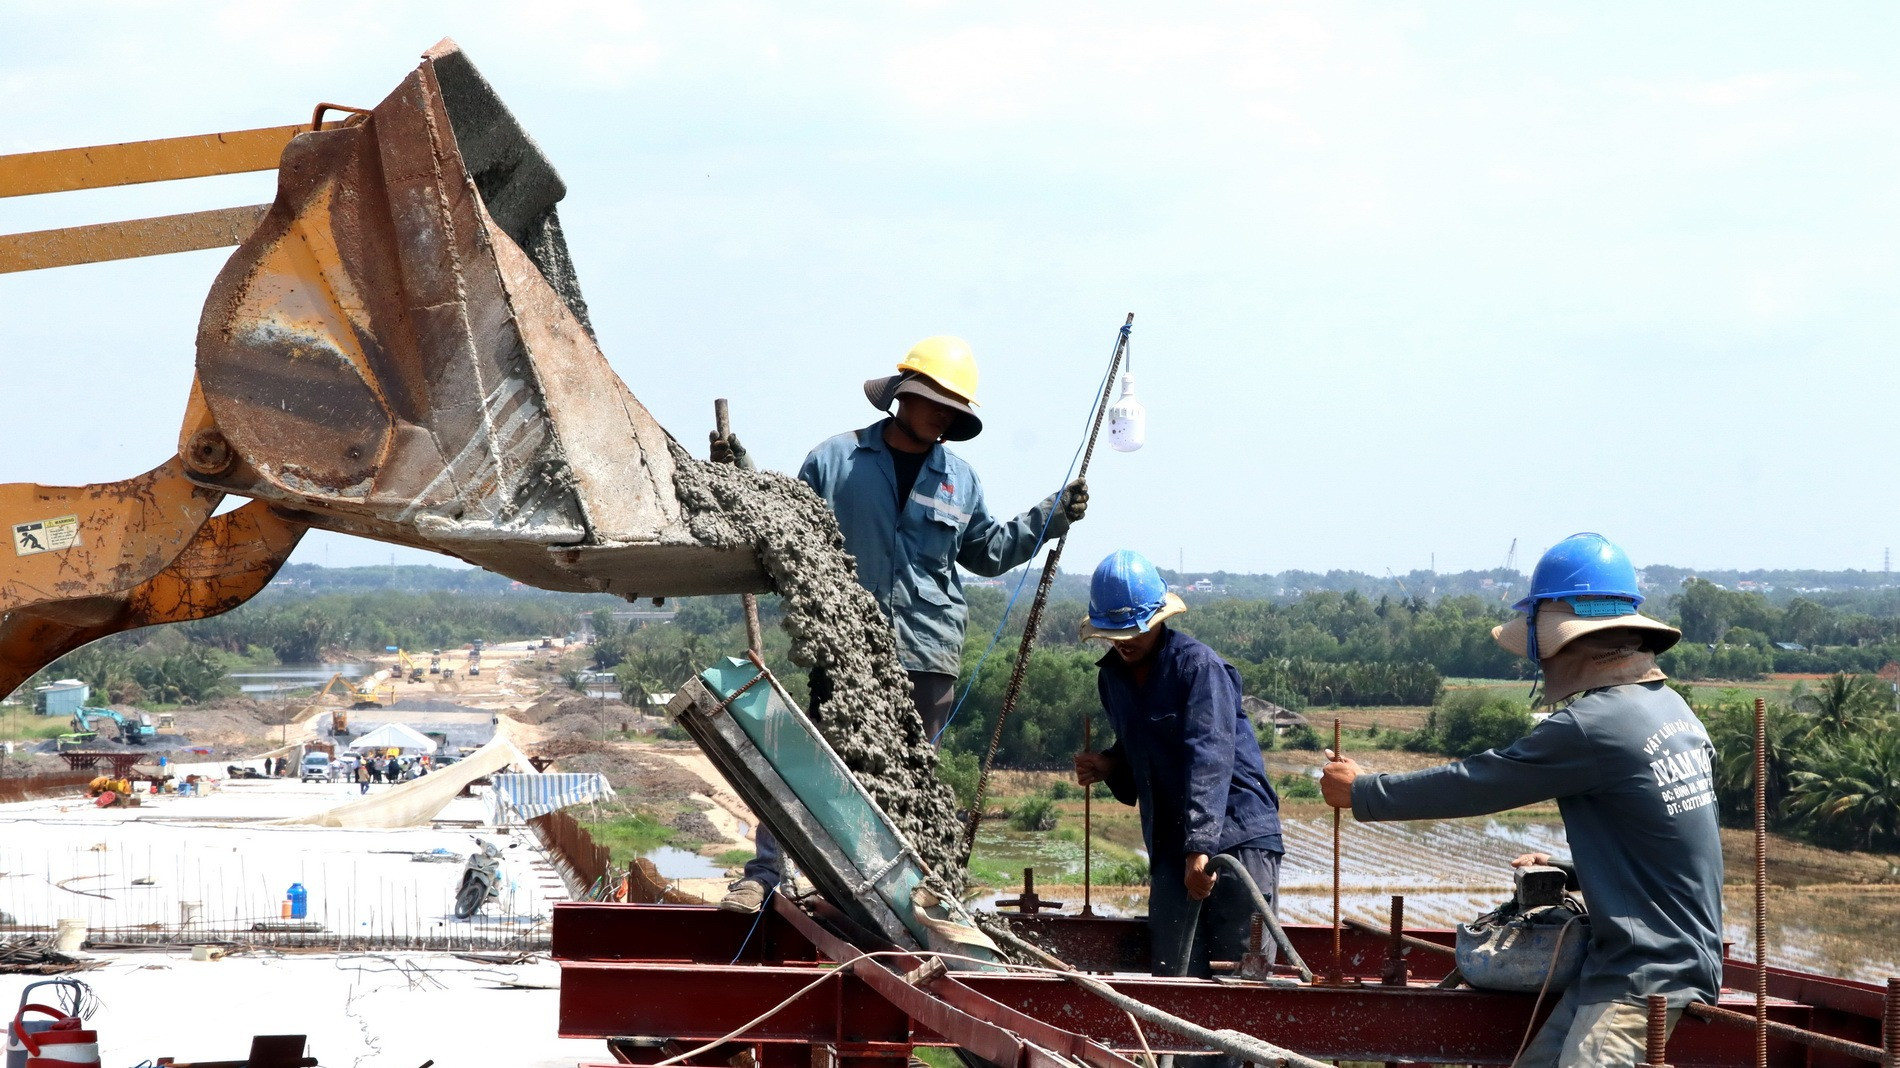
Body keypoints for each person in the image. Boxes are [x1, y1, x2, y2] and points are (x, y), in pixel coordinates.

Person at [714, 335, 1087, 913]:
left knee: (909, 778)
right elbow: (780, 523)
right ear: (904, 398)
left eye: (953, 412)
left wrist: (1052, 515)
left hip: (927, 651)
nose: (943, 419)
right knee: (810, 757)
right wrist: (736, 478)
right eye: (936, 404)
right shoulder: (835, 462)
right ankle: (766, 872)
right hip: (845, 646)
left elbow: (986, 551)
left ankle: (896, 895)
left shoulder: (960, 480)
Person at [1321, 533, 1722, 1068]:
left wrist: (1364, 792)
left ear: (1560, 638)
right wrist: (1568, 870)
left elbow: (1481, 781)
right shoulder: (1671, 710)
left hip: (1644, 974)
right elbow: (1663, 849)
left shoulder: (1593, 724)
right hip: (1638, 959)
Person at [1072, 550, 1284, 979]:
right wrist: (1111, 764)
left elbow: (1210, 756)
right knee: (1175, 978)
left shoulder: (1199, 667)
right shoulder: (1112, 677)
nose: (1124, 641)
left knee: (1240, 982)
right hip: (1173, 842)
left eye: (1133, 630)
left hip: (1234, 836)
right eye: (1114, 633)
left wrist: (1200, 850)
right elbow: (1144, 748)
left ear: (1158, 619)